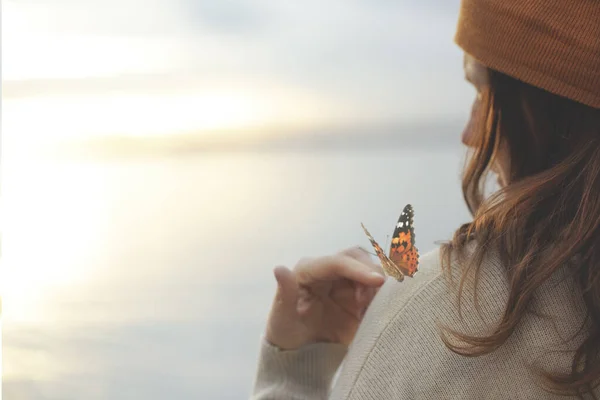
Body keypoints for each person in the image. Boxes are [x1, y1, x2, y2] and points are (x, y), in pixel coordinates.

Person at [251, 0, 600, 398]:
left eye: (484, 93)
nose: (470, 134)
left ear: (544, 109)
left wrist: (293, 374)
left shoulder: (445, 319)